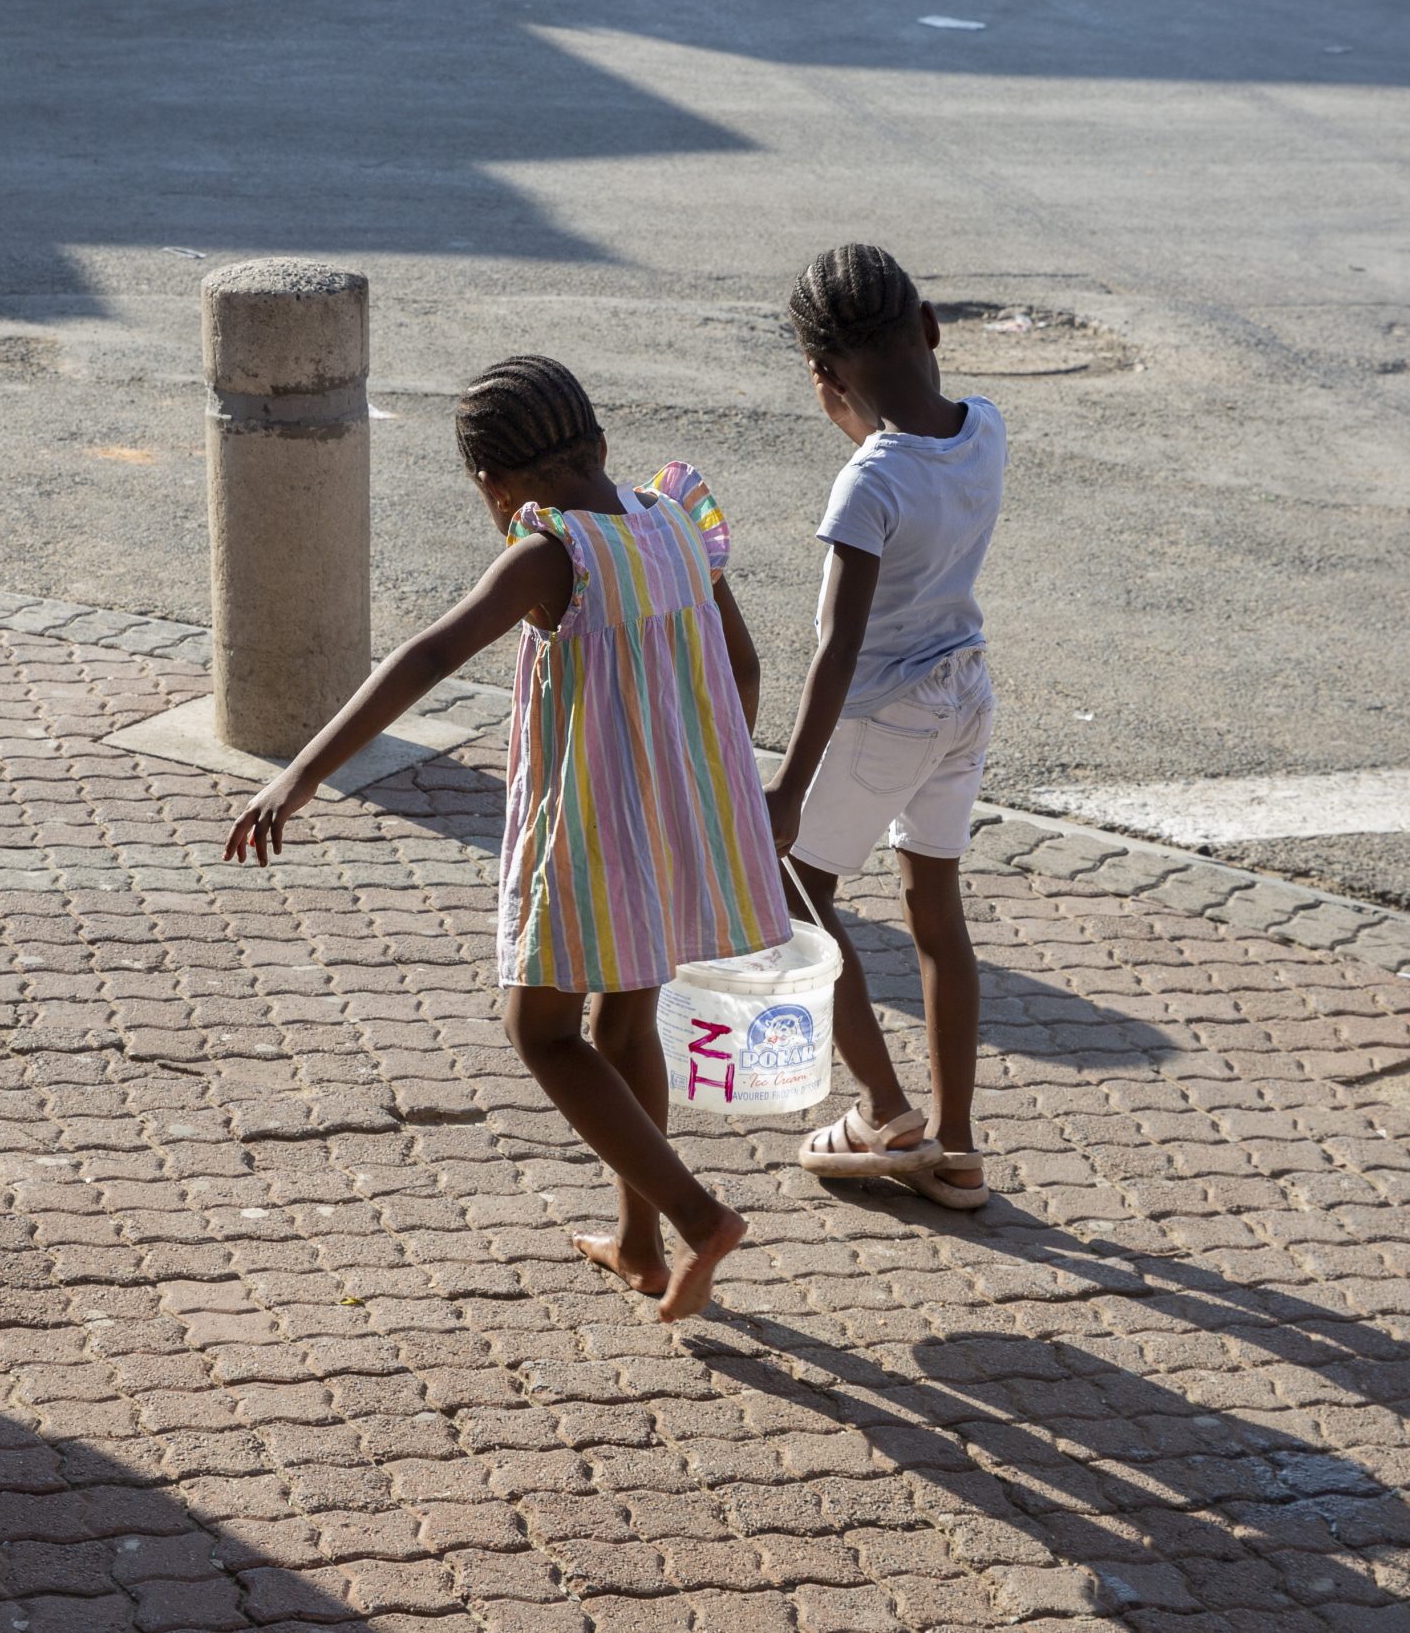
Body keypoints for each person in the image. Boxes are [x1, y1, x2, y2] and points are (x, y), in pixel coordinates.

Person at [226, 355, 787, 1320]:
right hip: (672, 817)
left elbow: (430, 653)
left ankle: (700, 1219)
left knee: (539, 1030)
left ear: (497, 485)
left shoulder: (551, 553)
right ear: (601, 445)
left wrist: (302, 770)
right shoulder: (680, 519)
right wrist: (708, 785)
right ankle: (641, 1244)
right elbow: (743, 666)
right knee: (621, 1023)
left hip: (590, 831)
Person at [765, 245, 1004, 1210]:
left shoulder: (865, 484)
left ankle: (883, 1111)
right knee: (936, 914)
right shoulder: (986, 428)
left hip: (884, 712)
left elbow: (837, 649)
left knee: (793, 885)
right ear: (932, 325)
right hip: (965, 692)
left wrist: (786, 785)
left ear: (824, 379)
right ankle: (956, 1147)